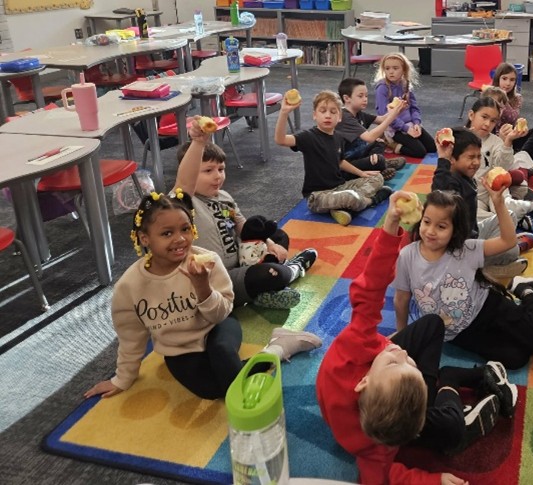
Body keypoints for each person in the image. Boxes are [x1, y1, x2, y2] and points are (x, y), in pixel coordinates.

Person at [316, 190, 518, 484]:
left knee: (432, 323)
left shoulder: (356, 344)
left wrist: (390, 224)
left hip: (365, 366)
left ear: (365, 381)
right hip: (393, 403)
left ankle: (443, 387)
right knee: (451, 430)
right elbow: (383, 477)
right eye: (410, 363)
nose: (401, 352)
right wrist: (434, 480)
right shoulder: (374, 447)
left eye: (400, 362)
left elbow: (370, 287)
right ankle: (449, 381)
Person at [84, 191, 321, 401]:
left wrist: (202, 287)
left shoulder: (206, 261)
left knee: (223, 358)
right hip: (179, 348)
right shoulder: (130, 286)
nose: (180, 238)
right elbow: (130, 336)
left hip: (218, 325)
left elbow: (222, 312)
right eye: (167, 233)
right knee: (210, 389)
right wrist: (122, 379)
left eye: (185, 229)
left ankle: (276, 354)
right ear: (144, 238)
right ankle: (275, 350)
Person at [393, 189, 533, 370]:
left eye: (441, 226)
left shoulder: (466, 250)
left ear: (455, 230)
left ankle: (528, 293)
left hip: (488, 308)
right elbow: (401, 299)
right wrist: (403, 336)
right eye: (426, 222)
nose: (430, 231)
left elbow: (508, 241)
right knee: (517, 359)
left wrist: (498, 202)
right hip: (460, 334)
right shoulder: (407, 256)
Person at [175, 120, 318, 310]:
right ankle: (293, 269)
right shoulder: (184, 203)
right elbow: (183, 184)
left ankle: (262, 291)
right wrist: (198, 142)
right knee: (272, 274)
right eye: (208, 171)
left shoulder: (223, 197)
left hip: (244, 259)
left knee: (278, 235)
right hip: (219, 279)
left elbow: (243, 227)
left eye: (221, 169)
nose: (218, 176)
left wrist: (270, 244)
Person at [275, 90, 393, 226]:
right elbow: (281, 140)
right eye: (323, 111)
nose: (327, 115)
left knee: (377, 178)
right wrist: (284, 112)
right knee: (350, 197)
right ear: (314, 115)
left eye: (333, 112)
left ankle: (345, 206)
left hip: (340, 187)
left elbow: (340, 161)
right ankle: (371, 200)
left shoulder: (338, 137)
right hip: (318, 196)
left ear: (339, 117)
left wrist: (361, 173)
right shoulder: (308, 137)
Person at [431, 126, 533, 279]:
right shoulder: (449, 182)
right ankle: (484, 272)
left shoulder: (466, 176)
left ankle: (498, 252)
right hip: (460, 250)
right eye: (470, 157)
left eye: (478, 157)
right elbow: (440, 191)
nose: (476, 162)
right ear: (451, 159)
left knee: (510, 215)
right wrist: (443, 160)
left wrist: (497, 200)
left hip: (472, 232)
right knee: (511, 250)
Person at [467, 96, 533, 231]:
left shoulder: (495, 141)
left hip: (495, 188)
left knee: (506, 204)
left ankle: (532, 206)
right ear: (471, 115)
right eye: (484, 117)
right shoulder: (459, 138)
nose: (487, 124)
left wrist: (507, 142)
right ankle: (513, 218)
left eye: (493, 121)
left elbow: (503, 167)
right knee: (469, 215)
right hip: (473, 195)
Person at [336, 77, 408, 180]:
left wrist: (397, 111)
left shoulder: (358, 113)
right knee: (378, 159)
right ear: (347, 98)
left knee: (380, 143)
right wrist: (392, 116)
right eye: (360, 96)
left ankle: (381, 165)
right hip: (347, 164)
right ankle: (382, 167)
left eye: (366, 96)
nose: (365, 99)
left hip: (359, 155)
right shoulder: (345, 117)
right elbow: (369, 138)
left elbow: (382, 119)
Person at [373, 52, 436, 158]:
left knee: (432, 147)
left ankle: (406, 137)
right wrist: (406, 129)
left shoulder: (405, 84)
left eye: (395, 68)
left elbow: (414, 108)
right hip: (395, 129)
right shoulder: (382, 88)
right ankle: (393, 144)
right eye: (387, 68)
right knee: (420, 152)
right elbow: (384, 115)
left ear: (404, 70)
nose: (391, 72)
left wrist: (416, 123)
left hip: (410, 124)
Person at [490, 62, 533, 168]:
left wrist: (520, 129)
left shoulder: (517, 98)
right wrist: (501, 98)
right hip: (496, 139)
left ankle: (527, 156)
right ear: (497, 79)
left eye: (512, 80)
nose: (508, 83)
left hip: (512, 137)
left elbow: (513, 117)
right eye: (504, 78)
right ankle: (529, 157)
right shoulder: (490, 96)